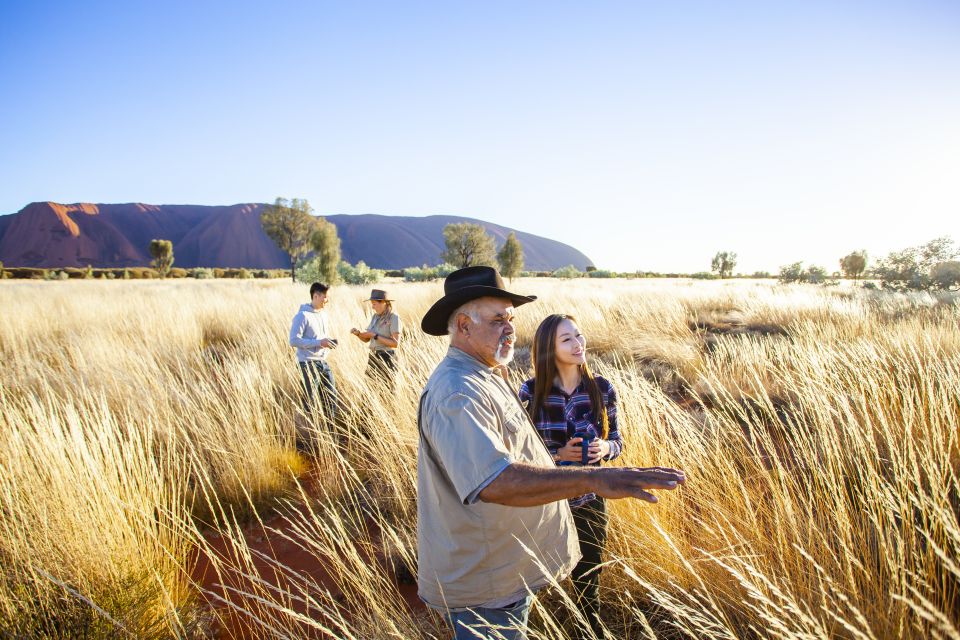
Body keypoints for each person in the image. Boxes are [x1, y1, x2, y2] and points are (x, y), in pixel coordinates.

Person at [417, 266, 686, 640]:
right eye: (498, 320)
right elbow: (496, 482)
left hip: (505, 572)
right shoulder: (457, 392)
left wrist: (600, 457)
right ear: (463, 326)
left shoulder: (489, 375)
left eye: (511, 319)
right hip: (486, 586)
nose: (510, 329)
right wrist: (593, 478)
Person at [519, 314, 623, 638]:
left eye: (579, 336)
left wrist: (605, 448)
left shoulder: (601, 389)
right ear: (549, 348)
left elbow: (618, 441)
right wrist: (557, 456)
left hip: (591, 499)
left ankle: (587, 632)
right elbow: (519, 455)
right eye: (567, 339)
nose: (578, 344)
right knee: (535, 576)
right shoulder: (531, 391)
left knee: (588, 579)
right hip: (545, 501)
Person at [289, 282, 339, 442]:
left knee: (331, 398)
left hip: (323, 362)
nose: (327, 301)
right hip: (308, 363)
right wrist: (319, 342)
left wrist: (328, 342)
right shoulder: (302, 316)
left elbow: (319, 338)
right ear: (315, 296)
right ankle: (306, 438)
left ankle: (329, 436)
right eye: (325, 297)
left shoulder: (322, 314)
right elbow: (294, 340)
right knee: (310, 401)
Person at [350, 289, 402, 383]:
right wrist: (358, 334)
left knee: (386, 391)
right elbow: (367, 339)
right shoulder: (375, 317)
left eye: (374, 304)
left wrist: (375, 335)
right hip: (373, 357)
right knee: (369, 390)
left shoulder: (394, 318)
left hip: (387, 358)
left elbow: (395, 344)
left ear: (383, 303)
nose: (372, 307)